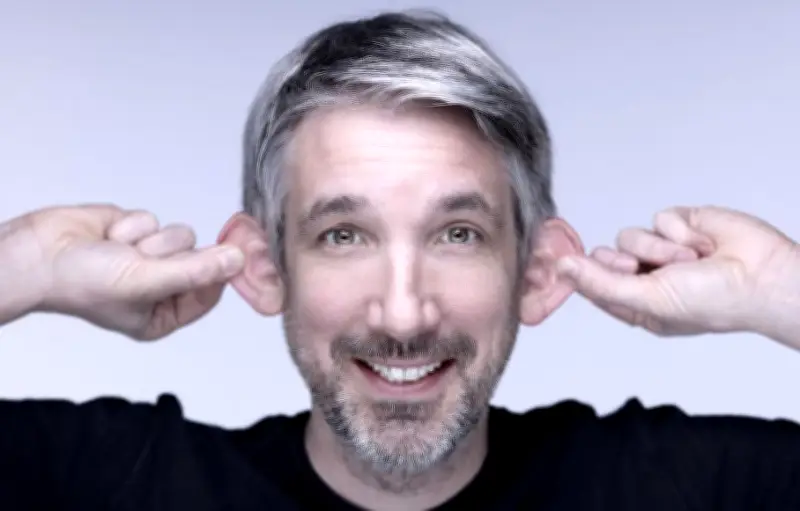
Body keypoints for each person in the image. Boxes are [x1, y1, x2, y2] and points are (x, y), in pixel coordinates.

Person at [1, 10, 799, 511]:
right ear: (265, 267)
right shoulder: (120, 483)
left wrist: (779, 289)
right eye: (344, 235)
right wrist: (26, 264)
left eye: (459, 234)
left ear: (536, 273)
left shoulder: (674, 488)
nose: (404, 313)